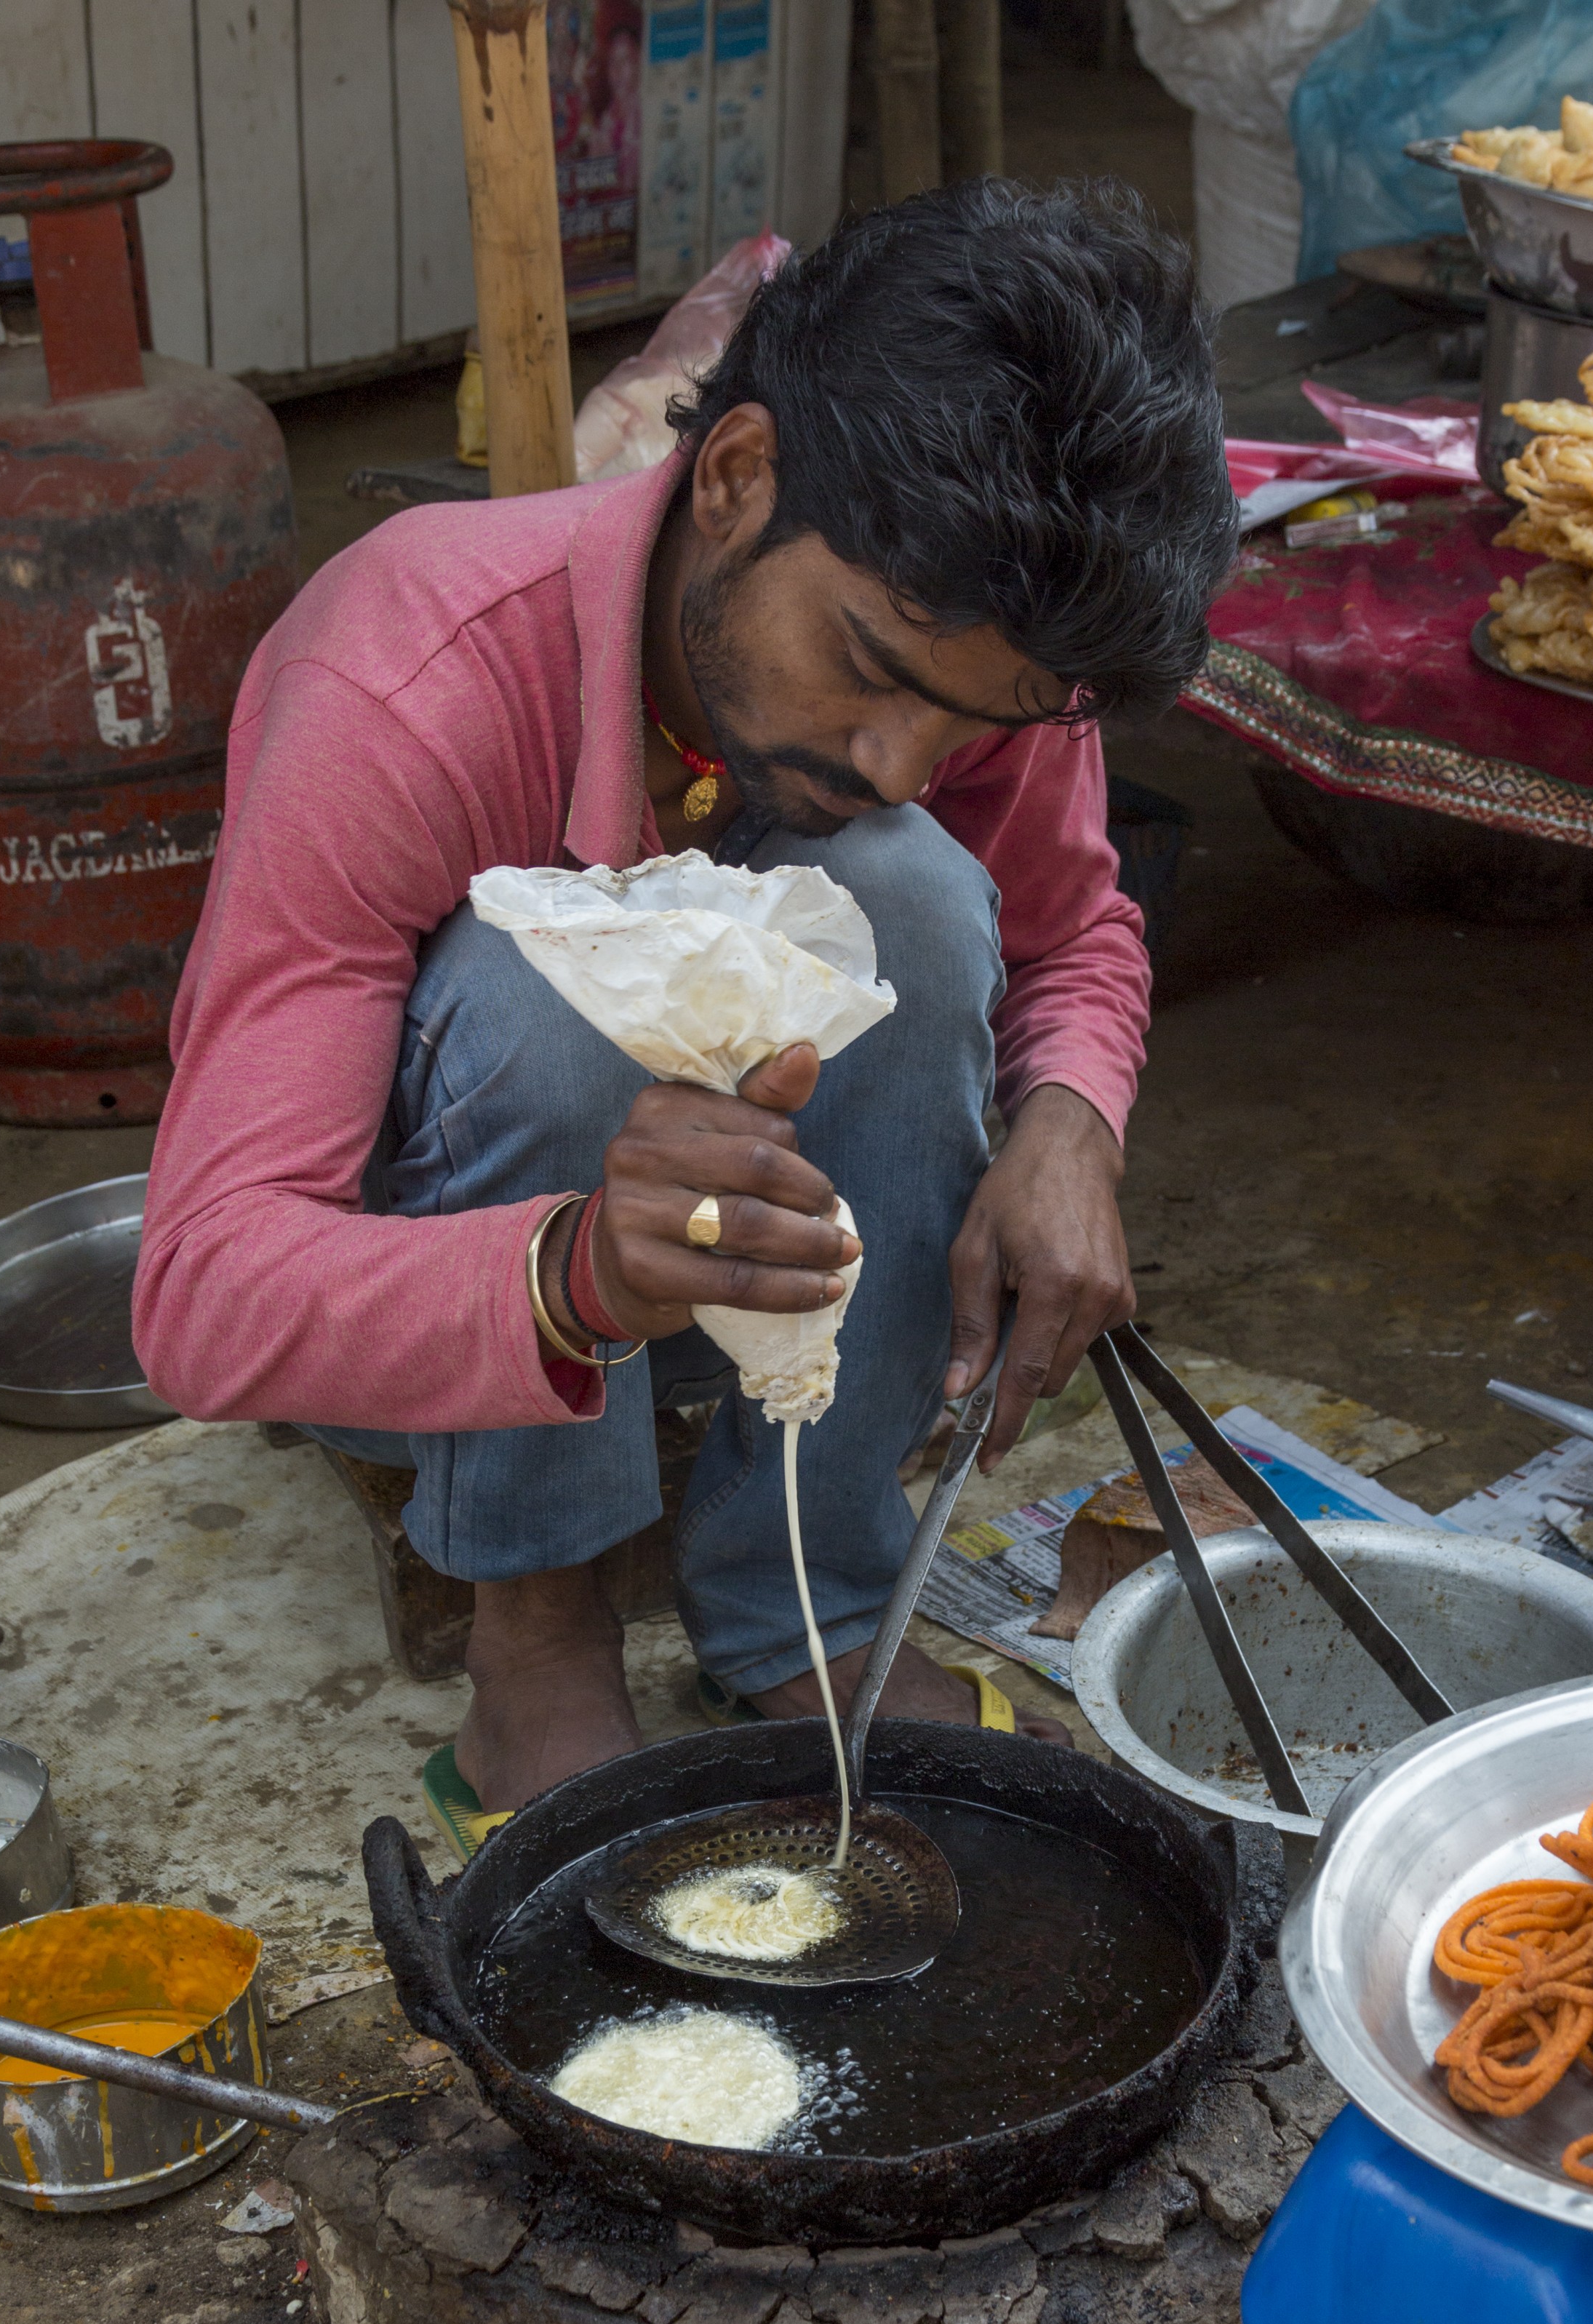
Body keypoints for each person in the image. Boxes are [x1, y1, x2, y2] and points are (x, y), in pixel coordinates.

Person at [134, 180, 1238, 1819]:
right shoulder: (404, 669)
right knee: (561, 977)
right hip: (425, 1253)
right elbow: (206, 1291)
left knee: (924, 898)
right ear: (733, 476)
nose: (897, 760)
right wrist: (573, 1271)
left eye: (962, 726)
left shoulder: (970, 632)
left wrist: (1069, 1120)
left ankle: (809, 1592)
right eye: (864, 669)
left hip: (716, 1239)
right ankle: (536, 1638)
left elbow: (1072, 931)